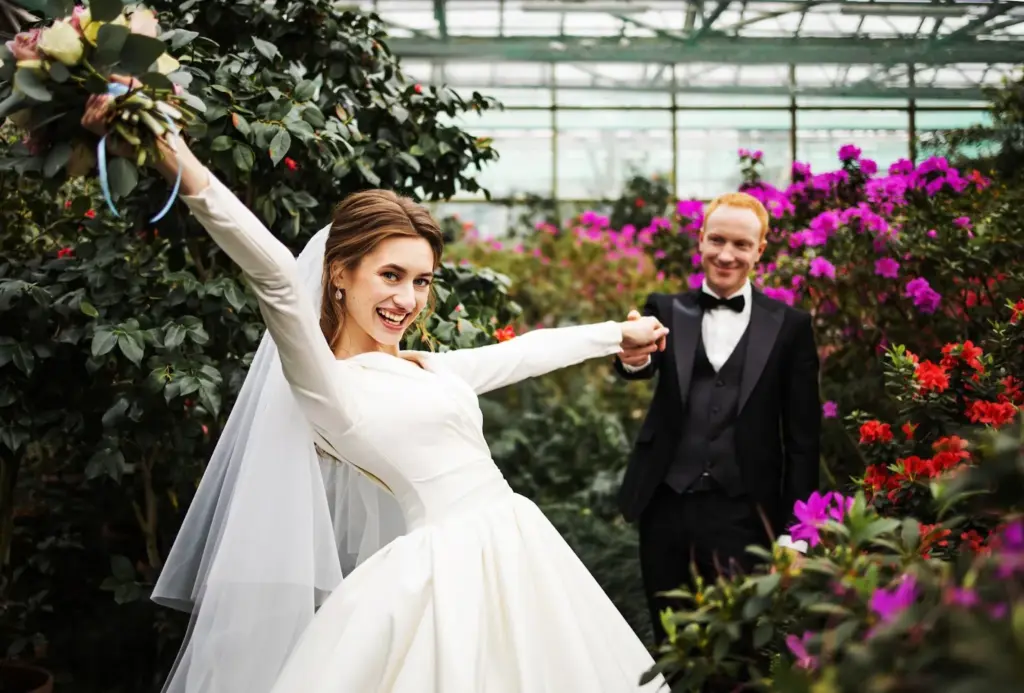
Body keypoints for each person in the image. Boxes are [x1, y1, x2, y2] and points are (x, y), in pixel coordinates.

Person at [82, 89, 670, 692]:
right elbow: (277, 280)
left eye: (420, 281)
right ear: (340, 274)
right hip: (440, 578)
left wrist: (618, 333)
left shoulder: (431, 369)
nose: (407, 299)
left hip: (519, 551)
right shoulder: (328, 388)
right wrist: (170, 153)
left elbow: (525, 351)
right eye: (390, 275)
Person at [615, 192, 821, 648]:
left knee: (739, 653)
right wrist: (631, 358)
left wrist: (797, 535)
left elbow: (804, 440)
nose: (727, 254)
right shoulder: (666, 309)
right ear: (701, 240)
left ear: (760, 250)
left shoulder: (790, 327)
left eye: (741, 245)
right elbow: (639, 365)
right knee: (674, 645)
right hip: (666, 508)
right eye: (717, 240)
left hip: (746, 515)